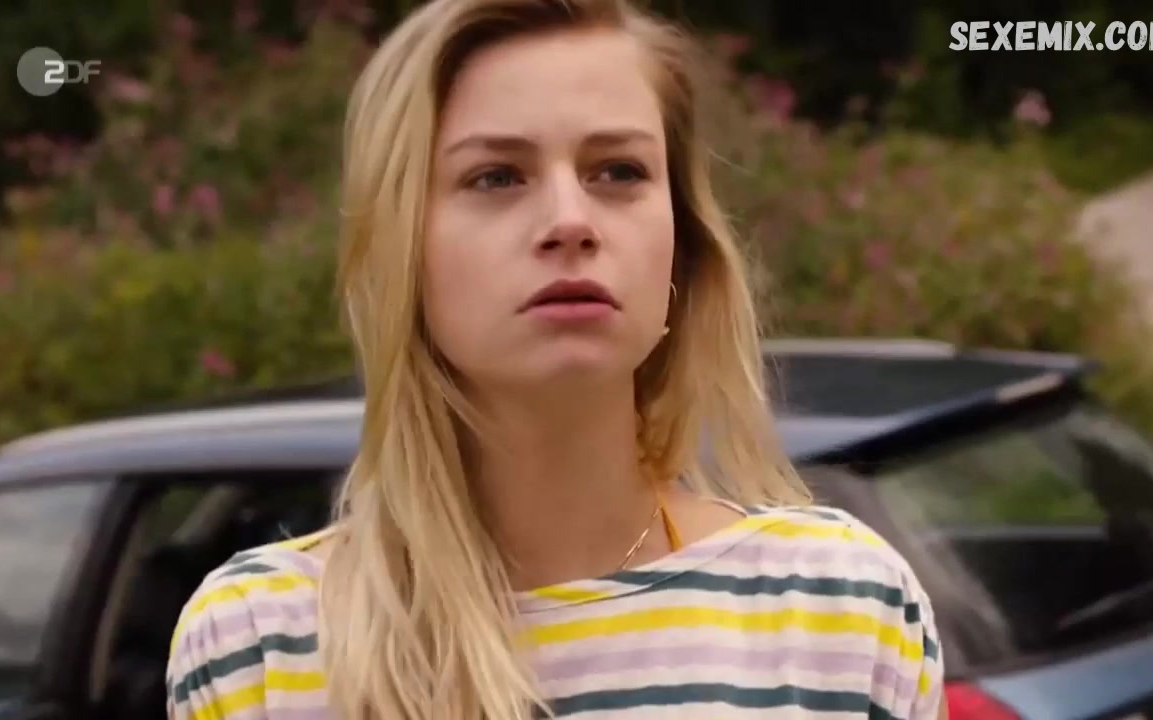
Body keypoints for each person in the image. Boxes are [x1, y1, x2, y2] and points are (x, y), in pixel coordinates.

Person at [164, 0, 948, 717]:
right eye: (496, 176)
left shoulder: (839, 610)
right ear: (402, 248)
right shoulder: (263, 643)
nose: (571, 221)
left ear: (682, 244)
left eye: (618, 171)